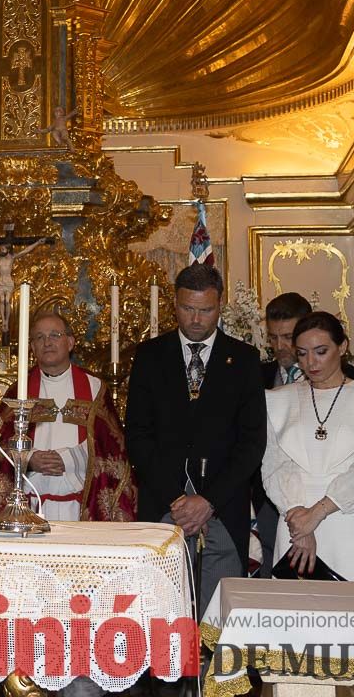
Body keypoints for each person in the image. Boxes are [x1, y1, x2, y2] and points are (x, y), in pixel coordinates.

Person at [125, 263, 267, 614]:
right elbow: (138, 435)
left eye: (206, 310)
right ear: (174, 304)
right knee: (160, 613)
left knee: (217, 620)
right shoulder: (149, 356)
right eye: (188, 308)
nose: (197, 319)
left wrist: (209, 500)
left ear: (220, 306)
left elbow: (251, 442)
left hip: (222, 507)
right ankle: (168, 672)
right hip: (164, 504)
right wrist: (177, 496)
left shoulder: (246, 360)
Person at [0, 311, 134, 521]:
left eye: (55, 335)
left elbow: (112, 447)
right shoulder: (19, 392)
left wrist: (69, 459)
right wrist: (29, 458)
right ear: (32, 347)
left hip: (81, 505)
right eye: (39, 337)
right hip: (30, 504)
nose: (47, 342)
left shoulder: (95, 388)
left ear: (70, 342)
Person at [254, 293, 354, 575]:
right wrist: (300, 522)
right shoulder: (278, 399)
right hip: (292, 519)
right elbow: (274, 465)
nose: (310, 362)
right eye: (302, 354)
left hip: (345, 517)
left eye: (321, 351)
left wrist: (317, 514)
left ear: (342, 347)